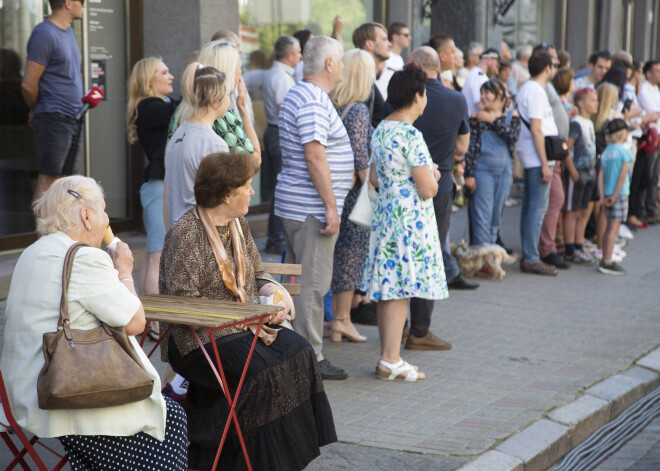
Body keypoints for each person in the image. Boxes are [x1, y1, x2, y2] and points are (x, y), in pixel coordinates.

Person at [160, 152, 336, 470]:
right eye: (247, 186)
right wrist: (243, 318)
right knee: (262, 374)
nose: (252, 192)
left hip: (243, 326)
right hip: (197, 340)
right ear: (228, 195)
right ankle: (241, 458)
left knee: (301, 352)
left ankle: (283, 457)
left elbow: (258, 273)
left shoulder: (237, 224)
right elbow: (183, 305)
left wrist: (274, 293)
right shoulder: (186, 234)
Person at [0, 175, 187, 470]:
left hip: (18, 397)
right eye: (102, 210)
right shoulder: (84, 259)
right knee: (171, 417)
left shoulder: (31, 253)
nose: (107, 219)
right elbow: (136, 322)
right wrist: (124, 271)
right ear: (86, 216)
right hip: (63, 396)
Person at [274, 36, 353, 380]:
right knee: (310, 286)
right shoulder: (310, 99)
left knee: (297, 282)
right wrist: (331, 207)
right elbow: (314, 155)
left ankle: (294, 354)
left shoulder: (303, 94)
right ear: (330, 64)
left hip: (300, 205)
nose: (345, 68)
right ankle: (310, 361)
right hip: (311, 210)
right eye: (342, 61)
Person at [362, 63, 447, 381]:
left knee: (389, 287)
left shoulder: (382, 128)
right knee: (400, 289)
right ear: (416, 95)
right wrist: (435, 175)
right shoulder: (411, 135)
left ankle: (388, 357)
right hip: (409, 221)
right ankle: (391, 359)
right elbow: (428, 188)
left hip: (387, 217)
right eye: (424, 93)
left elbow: (373, 177)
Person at [397, 47, 474, 353]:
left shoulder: (404, 96)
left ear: (416, 66)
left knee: (401, 252)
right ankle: (420, 329)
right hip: (438, 183)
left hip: (401, 185)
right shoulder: (456, 99)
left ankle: (398, 325)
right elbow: (462, 146)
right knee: (429, 254)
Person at [126, 57, 178, 343]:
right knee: (157, 255)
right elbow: (182, 107)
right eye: (164, 72)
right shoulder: (150, 107)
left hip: (158, 186)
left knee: (154, 255)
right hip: (158, 187)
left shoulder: (158, 106)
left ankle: (148, 320)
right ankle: (155, 323)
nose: (171, 76)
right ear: (148, 81)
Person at [326, 49, 375, 343]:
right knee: (349, 257)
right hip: (353, 196)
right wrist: (375, 186)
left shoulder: (333, 103)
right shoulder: (357, 109)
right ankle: (342, 320)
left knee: (336, 257)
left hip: (334, 192)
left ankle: (334, 319)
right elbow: (361, 161)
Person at [21, 0, 85, 201]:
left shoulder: (69, 32)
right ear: (68, 3)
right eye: (81, 1)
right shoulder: (45, 33)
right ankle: (42, 233)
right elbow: (28, 84)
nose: (84, 5)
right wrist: (36, 109)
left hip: (74, 116)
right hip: (54, 115)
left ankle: (59, 231)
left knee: (66, 181)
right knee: (50, 178)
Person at [165, 64, 230, 227]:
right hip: (202, 238)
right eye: (227, 95)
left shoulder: (178, 134)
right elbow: (220, 204)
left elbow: (167, 195)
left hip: (178, 234)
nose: (229, 100)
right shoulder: (214, 144)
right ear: (214, 100)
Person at [516, 50, 559, 276]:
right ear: (547, 68)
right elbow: (536, 128)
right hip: (536, 156)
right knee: (537, 208)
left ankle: (529, 255)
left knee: (531, 207)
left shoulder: (530, 88)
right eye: (553, 65)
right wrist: (544, 163)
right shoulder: (535, 91)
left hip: (533, 155)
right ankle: (531, 257)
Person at [465, 78, 521, 247]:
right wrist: (469, 174)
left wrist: (492, 120)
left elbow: (512, 137)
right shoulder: (476, 116)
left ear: (500, 95)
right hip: (482, 171)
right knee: (481, 217)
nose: (483, 96)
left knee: (496, 218)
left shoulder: (512, 115)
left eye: (487, 92)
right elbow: (471, 147)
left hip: (505, 172)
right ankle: (482, 258)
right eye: (481, 93)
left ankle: (490, 256)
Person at [262, 36, 302, 255]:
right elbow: (284, 108)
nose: (300, 56)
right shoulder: (281, 77)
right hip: (279, 133)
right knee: (281, 189)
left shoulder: (277, 73)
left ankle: (274, 239)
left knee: (278, 188)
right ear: (289, 55)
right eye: (297, 52)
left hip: (275, 131)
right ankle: (277, 240)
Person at [195, 40, 261, 163]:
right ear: (229, 71)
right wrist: (242, 109)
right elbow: (255, 160)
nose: (241, 74)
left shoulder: (184, 107)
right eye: (239, 68)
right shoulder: (221, 113)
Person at [563, 87, 598, 265]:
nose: (596, 104)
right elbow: (566, 149)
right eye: (592, 100)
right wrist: (572, 171)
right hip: (577, 172)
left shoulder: (589, 123)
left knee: (583, 211)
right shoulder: (576, 123)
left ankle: (579, 245)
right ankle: (570, 250)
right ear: (581, 103)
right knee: (572, 211)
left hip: (588, 172)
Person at [598, 119, 633, 275]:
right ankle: (607, 261)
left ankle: (605, 255)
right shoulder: (624, 151)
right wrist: (615, 194)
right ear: (622, 134)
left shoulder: (606, 152)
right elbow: (622, 175)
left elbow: (600, 176)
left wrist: (602, 195)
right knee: (614, 227)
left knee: (608, 228)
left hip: (606, 193)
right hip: (619, 194)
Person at [629, 60, 660, 227]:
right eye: (657, 71)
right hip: (648, 137)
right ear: (648, 73)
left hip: (657, 136)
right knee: (644, 177)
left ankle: (650, 208)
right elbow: (651, 112)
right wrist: (652, 115)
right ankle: (640, 211)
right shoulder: (644, 90)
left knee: (653, 176)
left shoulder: (655, 90)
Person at [353, 22, 391, 125]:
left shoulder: (366, 77)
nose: (389, 44)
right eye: (384, 39)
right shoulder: (359, 79)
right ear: (369, 44)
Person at [462, 47, 501, 116]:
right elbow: (480, 104)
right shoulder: (478, 76)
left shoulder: (477, 74)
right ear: (489, 60)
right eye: (497, 66)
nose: (497, 72)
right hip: (472, 123)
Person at [375, 22, 409, 98]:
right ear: (395, 37)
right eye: (406, 35)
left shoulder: (399, 59)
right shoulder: (385, 57)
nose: (409, 38)